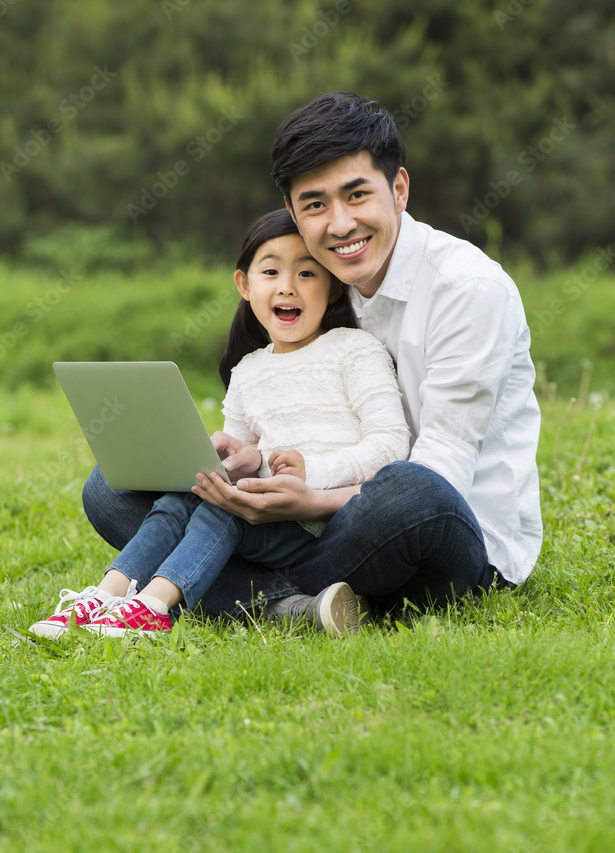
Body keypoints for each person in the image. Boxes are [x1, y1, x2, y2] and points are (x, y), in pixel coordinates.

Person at [83, 91, 542, 622]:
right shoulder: (316, 284)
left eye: (356, 195)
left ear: (398, 190)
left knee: (409, 489)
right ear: (293, 215)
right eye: (316, 205)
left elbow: (444, 475)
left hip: (438, 536)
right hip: (312, 531)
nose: (341, 224)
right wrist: (242, 467)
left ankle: (251, 595)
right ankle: (305, 608)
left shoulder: (467, 289)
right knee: (113, 488)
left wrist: (310, 501)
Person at [29, 209, 409, 638]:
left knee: (222, 509)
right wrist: (232, 459)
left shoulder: (356, 350)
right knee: (186, 498)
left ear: (335, 286)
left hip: (325, 521)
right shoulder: (247, 370)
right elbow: (245, 463)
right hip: (264, 519)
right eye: (271, 271)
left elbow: (392, 446)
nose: (287, 286)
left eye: (307, 273)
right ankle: (104, 598)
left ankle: (153, 607)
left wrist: (311, 474)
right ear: (245, 285)